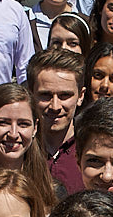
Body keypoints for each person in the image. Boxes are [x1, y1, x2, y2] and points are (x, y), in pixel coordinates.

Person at [0, 83, 59, 204]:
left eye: (23, 124)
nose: (13, 134)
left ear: (35, 128)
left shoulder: (52, 191)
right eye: (3, 123)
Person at [28, 47, 86, 193]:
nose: (55, 106)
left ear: (81, 96)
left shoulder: (92, 152)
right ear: (30, 94)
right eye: (45, 95)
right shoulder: (18, 150)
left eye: (64, 96)